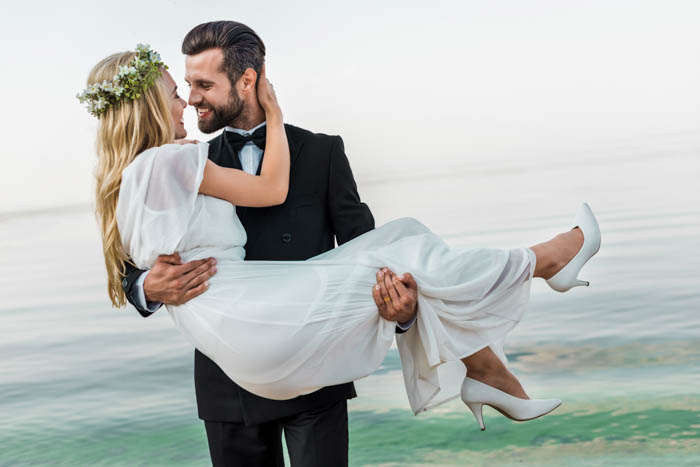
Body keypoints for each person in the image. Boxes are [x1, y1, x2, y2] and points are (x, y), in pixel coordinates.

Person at [81, 40, 599, 467]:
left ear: (248, 80)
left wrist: (402, 314)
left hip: (311, 360)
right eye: (182, 88)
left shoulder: (322, 151)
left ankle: (491, 358)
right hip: (232, 376)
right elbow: (136, 271)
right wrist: (148, 287)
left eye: (201, 85)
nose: (191, 100)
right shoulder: (183, 159)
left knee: (399, 248)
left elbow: (359, 243)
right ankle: (533, 278)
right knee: (404, 245)